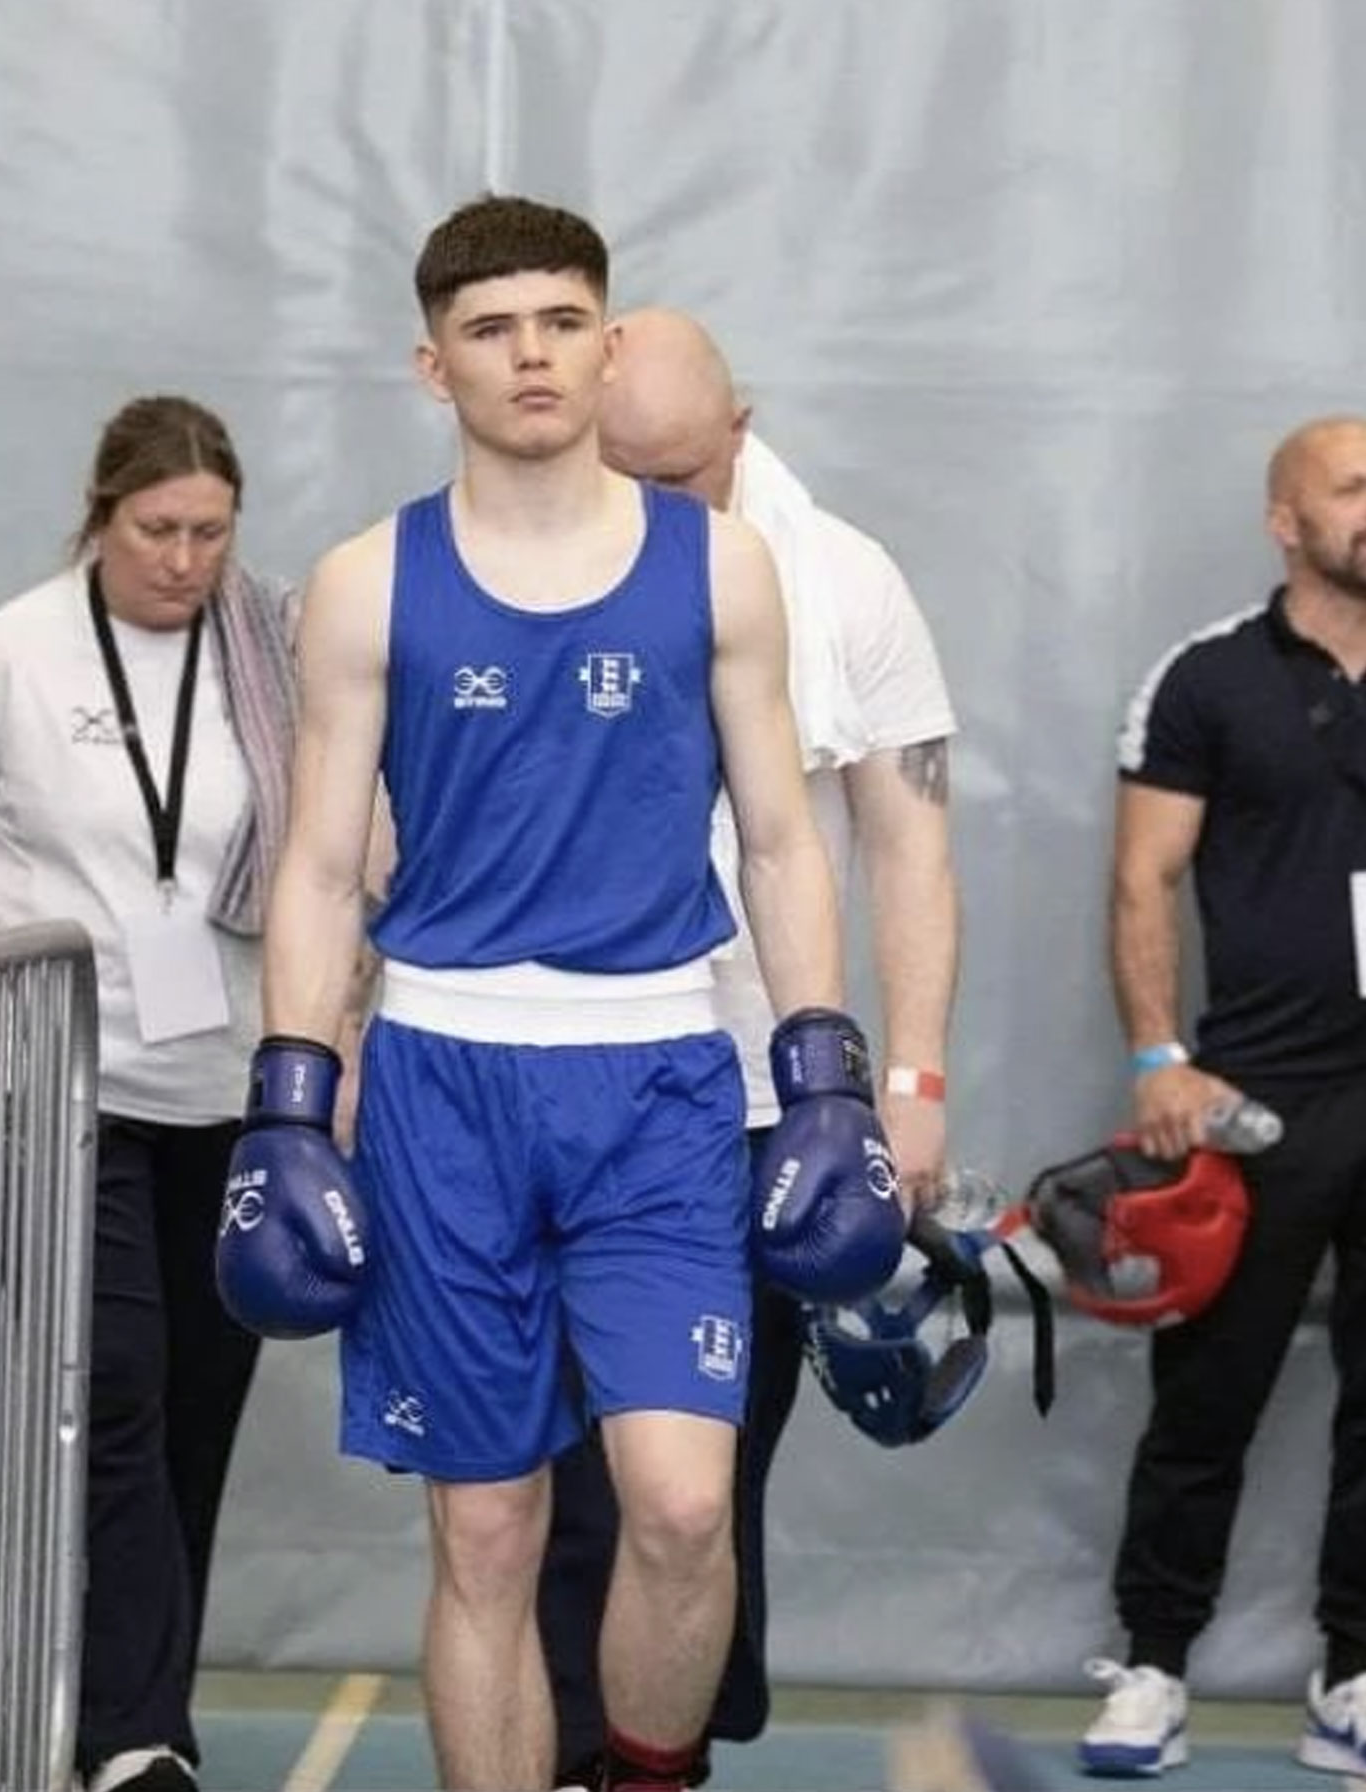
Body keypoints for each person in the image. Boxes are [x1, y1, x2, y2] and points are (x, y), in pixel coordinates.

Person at [213, 196, 905, 1792]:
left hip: (659, 1081)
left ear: (606, 343)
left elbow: (785, 841)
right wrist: (291, 1101)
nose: (529, 355)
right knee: (488, 1528)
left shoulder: (720, 567)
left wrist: (828, 1073)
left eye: (560, 321)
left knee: (681, 1505)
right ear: (432, 364)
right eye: (489, 328)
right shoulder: (366, 583)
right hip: (444, 1084)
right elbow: (317, 867)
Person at [536, 308, 960, 1786]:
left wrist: (911, 1082)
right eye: (626, 471)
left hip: (766, 1096)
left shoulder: (842, 579)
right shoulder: (521, 561)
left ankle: (663, 1749)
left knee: (708, 1469)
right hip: (560, 1069)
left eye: (683, 473)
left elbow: (908, 843)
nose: (657, 502)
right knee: (566, 1469)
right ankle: (577, 1749)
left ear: (742, 430)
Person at [0, 394, 298, 1792]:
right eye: (157, 530)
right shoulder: (10, 651)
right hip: (44, 1078)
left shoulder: (272, 655)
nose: (186, 562)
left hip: (224, 1084)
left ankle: (130, 1705)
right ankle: (135, 1740)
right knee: (111, 1381)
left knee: (197, 1402)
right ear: (100, 515)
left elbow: (327, 863)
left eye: (211, 534)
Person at [1083, 416, 1366, 1785]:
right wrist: (1158, 1059)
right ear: (1284, 521)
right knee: (1209, 1398)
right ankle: (1154, 1666)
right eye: (1352, 488)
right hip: (1259, 1107)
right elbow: (1142, 878)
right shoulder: (1209, 680)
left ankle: (1359, 1675)